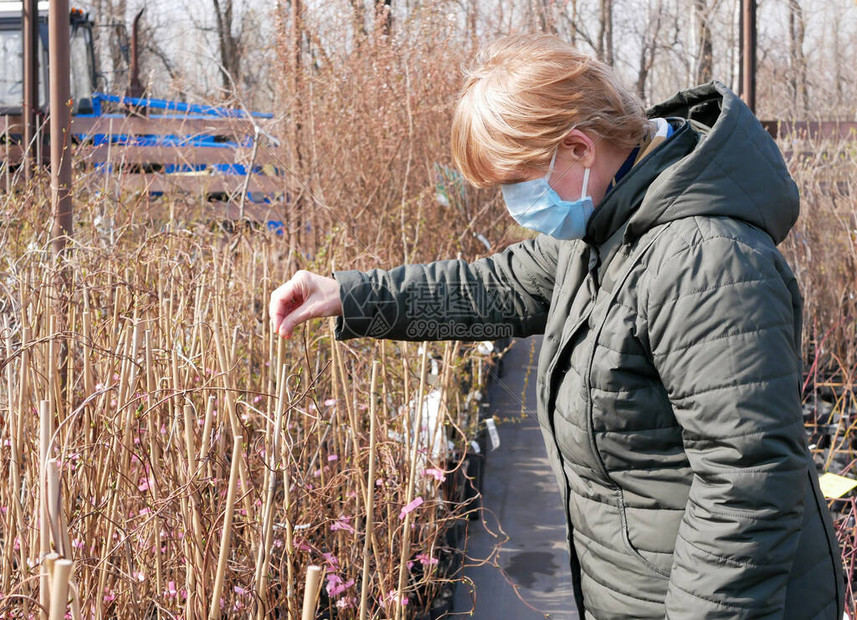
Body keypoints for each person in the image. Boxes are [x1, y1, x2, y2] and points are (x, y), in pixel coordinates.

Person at [269, 34, 844, 619]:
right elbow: (494, 287)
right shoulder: (606, 226)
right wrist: (348, 295)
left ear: (578, 148)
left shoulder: (706, 261)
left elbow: (744, 485)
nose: (514, 205)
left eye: (516, 181)